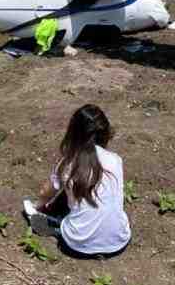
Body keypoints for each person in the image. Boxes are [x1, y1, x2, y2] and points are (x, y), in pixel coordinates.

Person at [33, 104, 131, 258]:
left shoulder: (68, 163)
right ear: (105, 133)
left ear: (73, 133)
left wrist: (35, 208)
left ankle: (57, 228)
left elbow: (45, 193)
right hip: (119, 242)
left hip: (77, 246)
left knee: (64, 194)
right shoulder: (116, 160)